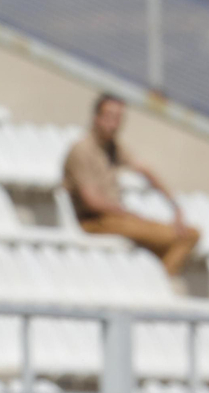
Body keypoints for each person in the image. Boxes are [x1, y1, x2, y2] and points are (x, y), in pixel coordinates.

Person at [63, 93, 201, 276]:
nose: (114, 123)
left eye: (119, 117)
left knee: (190, 234)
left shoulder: (113, 147)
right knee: (181, 238)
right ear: (96, 117)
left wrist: (175, 206)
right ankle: (160, 284)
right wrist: (126, 213)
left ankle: (158, 282)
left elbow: (145, 170)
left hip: (117, 218)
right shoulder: (82, 150)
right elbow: (91, 201)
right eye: (110, 116)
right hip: (94, 221)